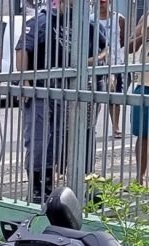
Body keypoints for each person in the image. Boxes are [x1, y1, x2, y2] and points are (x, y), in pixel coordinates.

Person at [15, 0, 107, 204]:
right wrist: (26, 82)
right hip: (44, 88)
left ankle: (81, 185)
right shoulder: (42, 21)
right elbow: (22, 49)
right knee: (40, 139)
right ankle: (40, 188)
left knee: (80, 136)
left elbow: (104, 48)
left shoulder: (87, 24)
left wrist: (89, 62)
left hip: (79, 88)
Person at [92, 0, 127, 139]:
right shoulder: (91, 19)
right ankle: (92, 124)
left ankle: (115, 126)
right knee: (95, 96)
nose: (101, 4)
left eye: (103, 1)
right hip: (98, 65)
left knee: (115, 96)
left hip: (115, 64)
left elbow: (124, 39)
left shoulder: (119, 19)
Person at [128, 12, 149, 184]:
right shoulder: (146, 16)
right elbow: (129, 47)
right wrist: (144, 35)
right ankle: (139, 178)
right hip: (145, 83)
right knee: (142, 134)